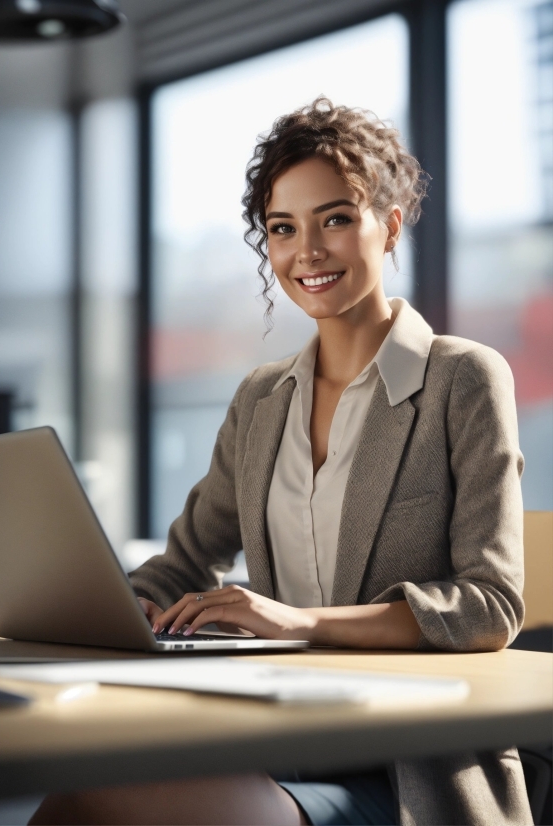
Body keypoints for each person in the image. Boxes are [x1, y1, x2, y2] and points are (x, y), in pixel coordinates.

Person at [30, 98, 532, 825]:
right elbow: (184, 562)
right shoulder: (263, 398)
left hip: (407, 770)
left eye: (335, 219)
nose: (307, 253)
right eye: (282, 228)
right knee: (83, 787)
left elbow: (491, 606)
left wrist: (300, 621)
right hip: (275, 735)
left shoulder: (463, 379)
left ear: (389, 225)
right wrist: (127, 606)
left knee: (108, 793)